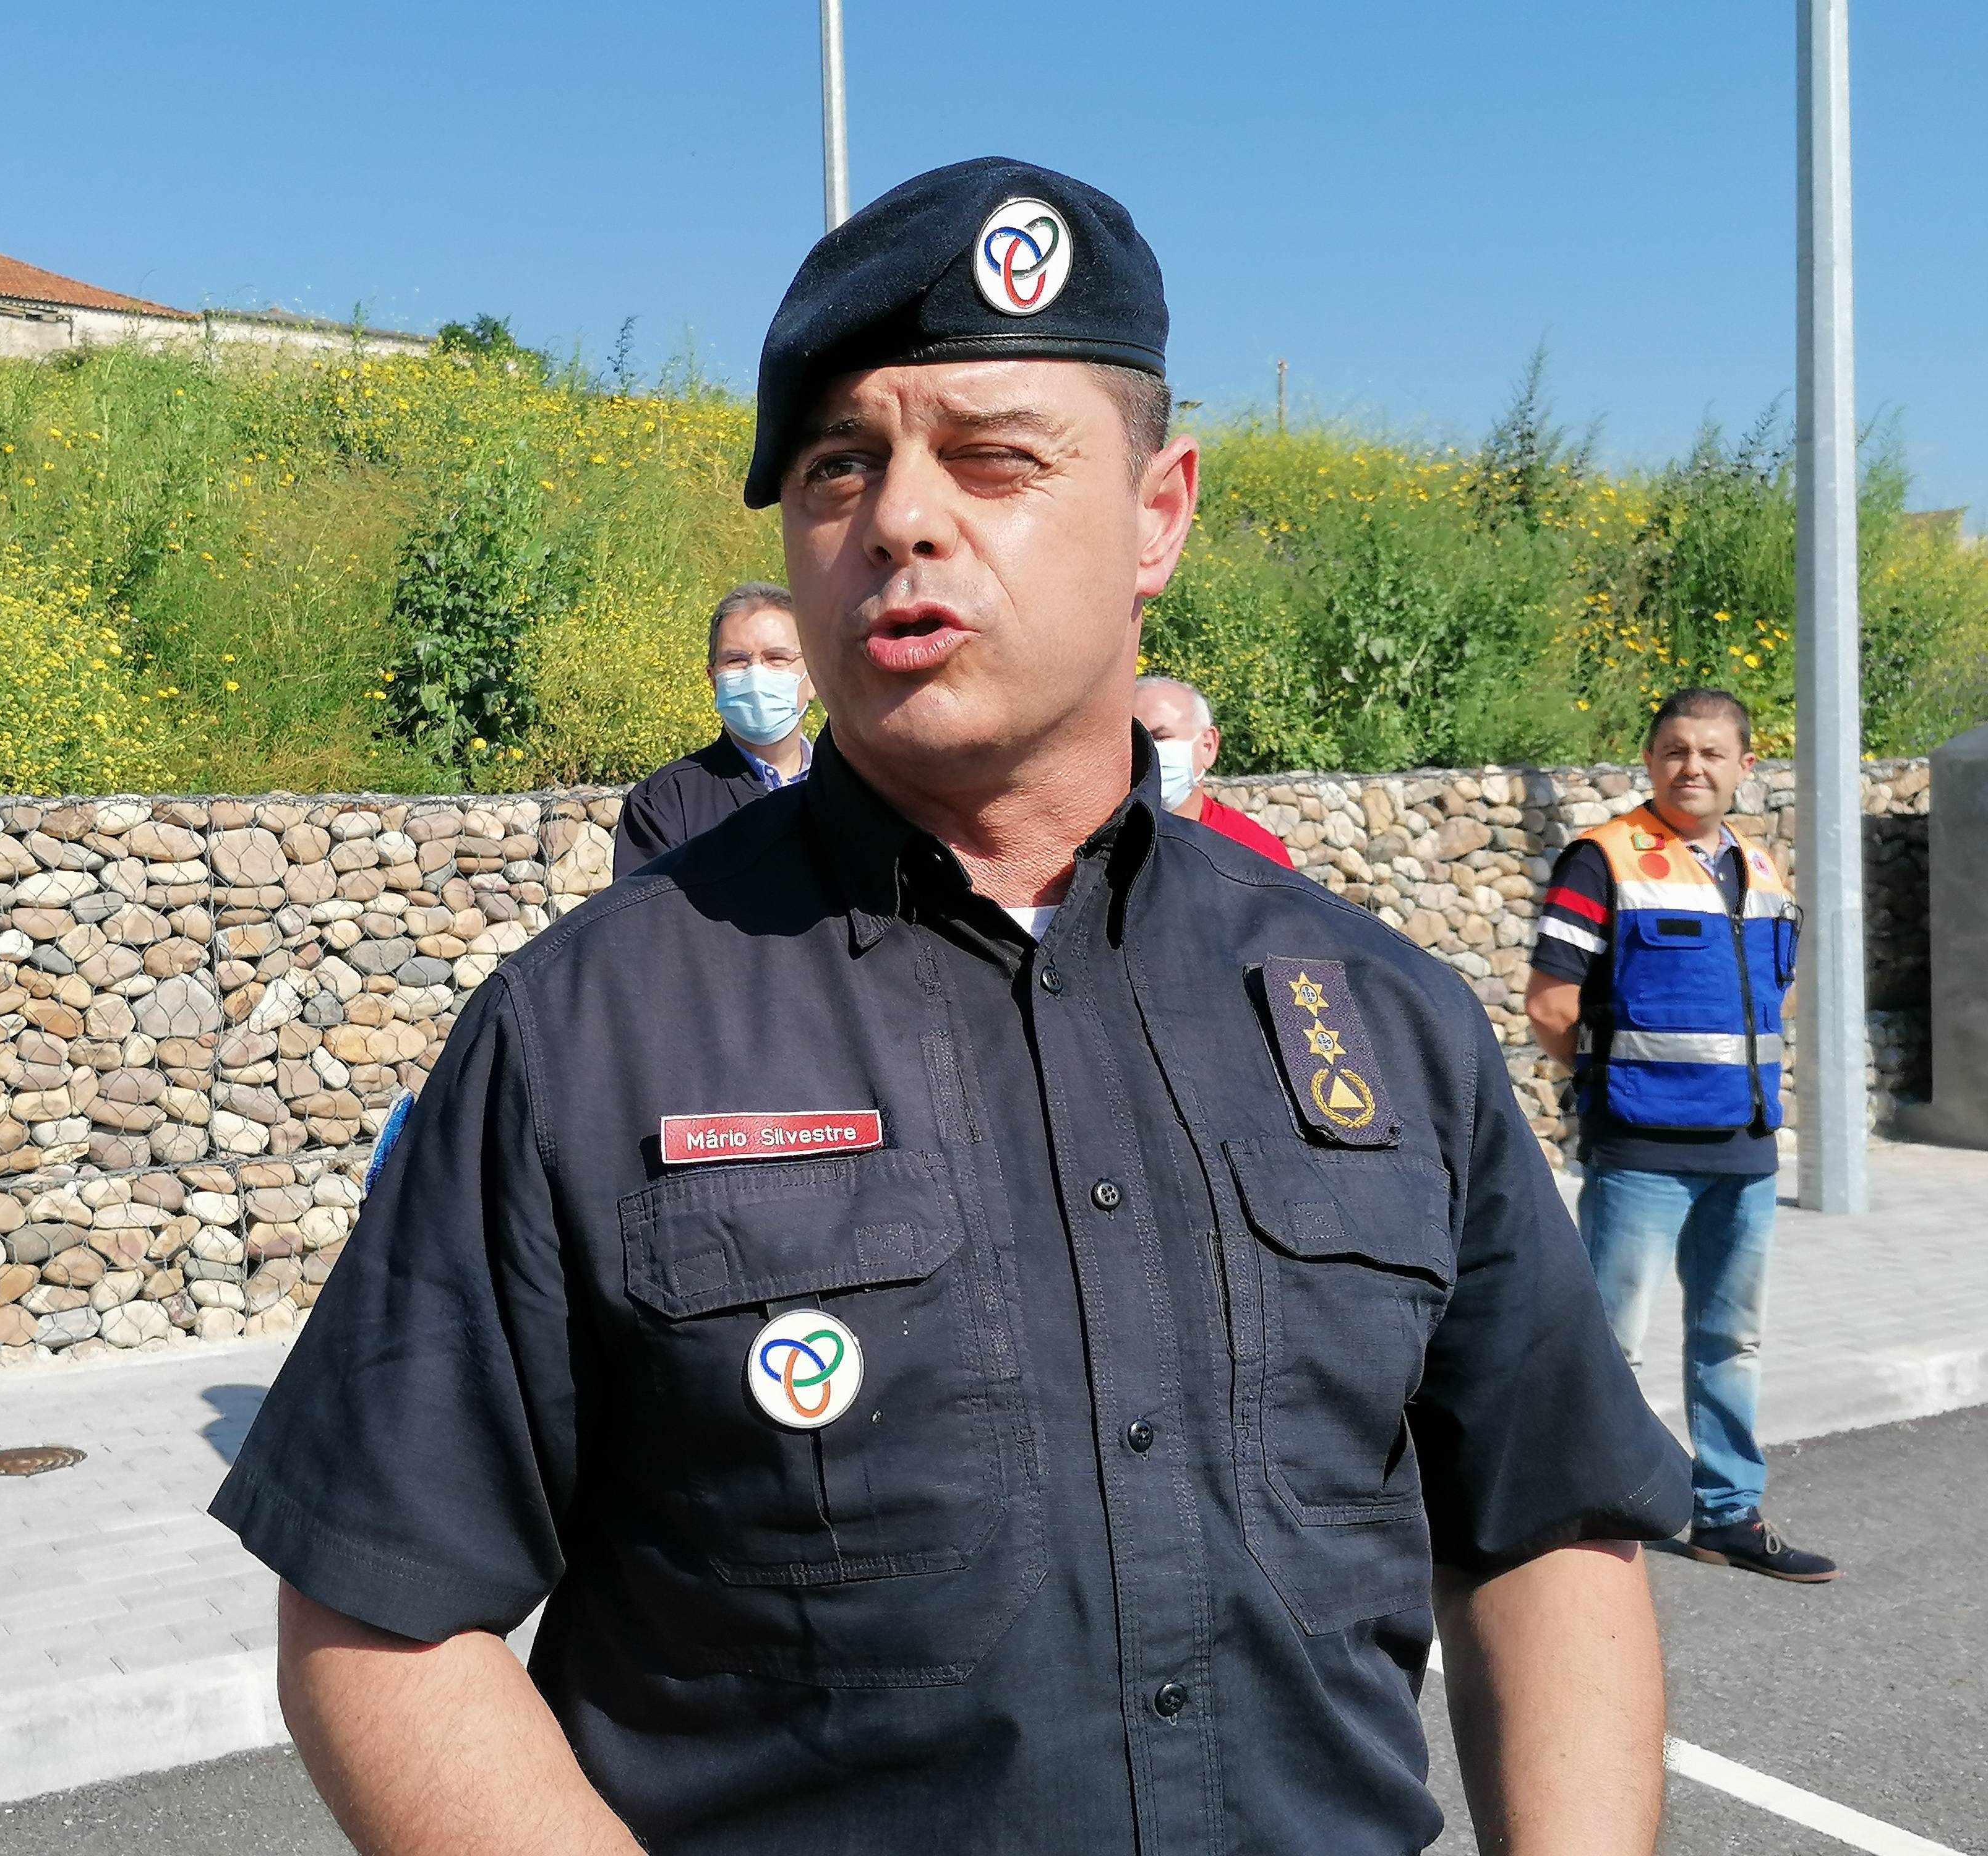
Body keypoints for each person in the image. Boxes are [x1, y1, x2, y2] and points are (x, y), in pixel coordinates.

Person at [213, 157, 1689, 1856]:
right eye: (837, 466)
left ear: (1158, 514)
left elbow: (1545, 1526)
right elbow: (380, 1619)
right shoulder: (585, 1035)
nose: (901, 519)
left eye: (994, 457)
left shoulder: (1379, 1015)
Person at [1526, 688, 1837, 1584]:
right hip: (1641, 1152)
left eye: (1710, 752)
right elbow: (1550, 1004)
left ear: (1745, 766)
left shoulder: (1761, 867)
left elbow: (1772, 997)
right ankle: (1584, 1511)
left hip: (1744, 1151)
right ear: (1650, 760)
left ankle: (1727, 1512)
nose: (1690, 767)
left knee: (1732, 1342)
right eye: (1673, 750)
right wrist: (1611, 1089)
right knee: (1608, 1345)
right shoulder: (1603, 859)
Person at [612, 583, 813, 878]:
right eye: (736, 660)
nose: (756, 675)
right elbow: (642, 906)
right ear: (714, 681)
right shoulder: (664, 803)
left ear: (815, 674)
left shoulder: (857, 789)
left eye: (776, 659)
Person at [1131, 673, 1295, 867]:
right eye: (1132, 739)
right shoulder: (1103, 844)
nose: (1144, 750)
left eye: (1160, 738)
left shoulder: (1256, 853)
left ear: (1208, 746)